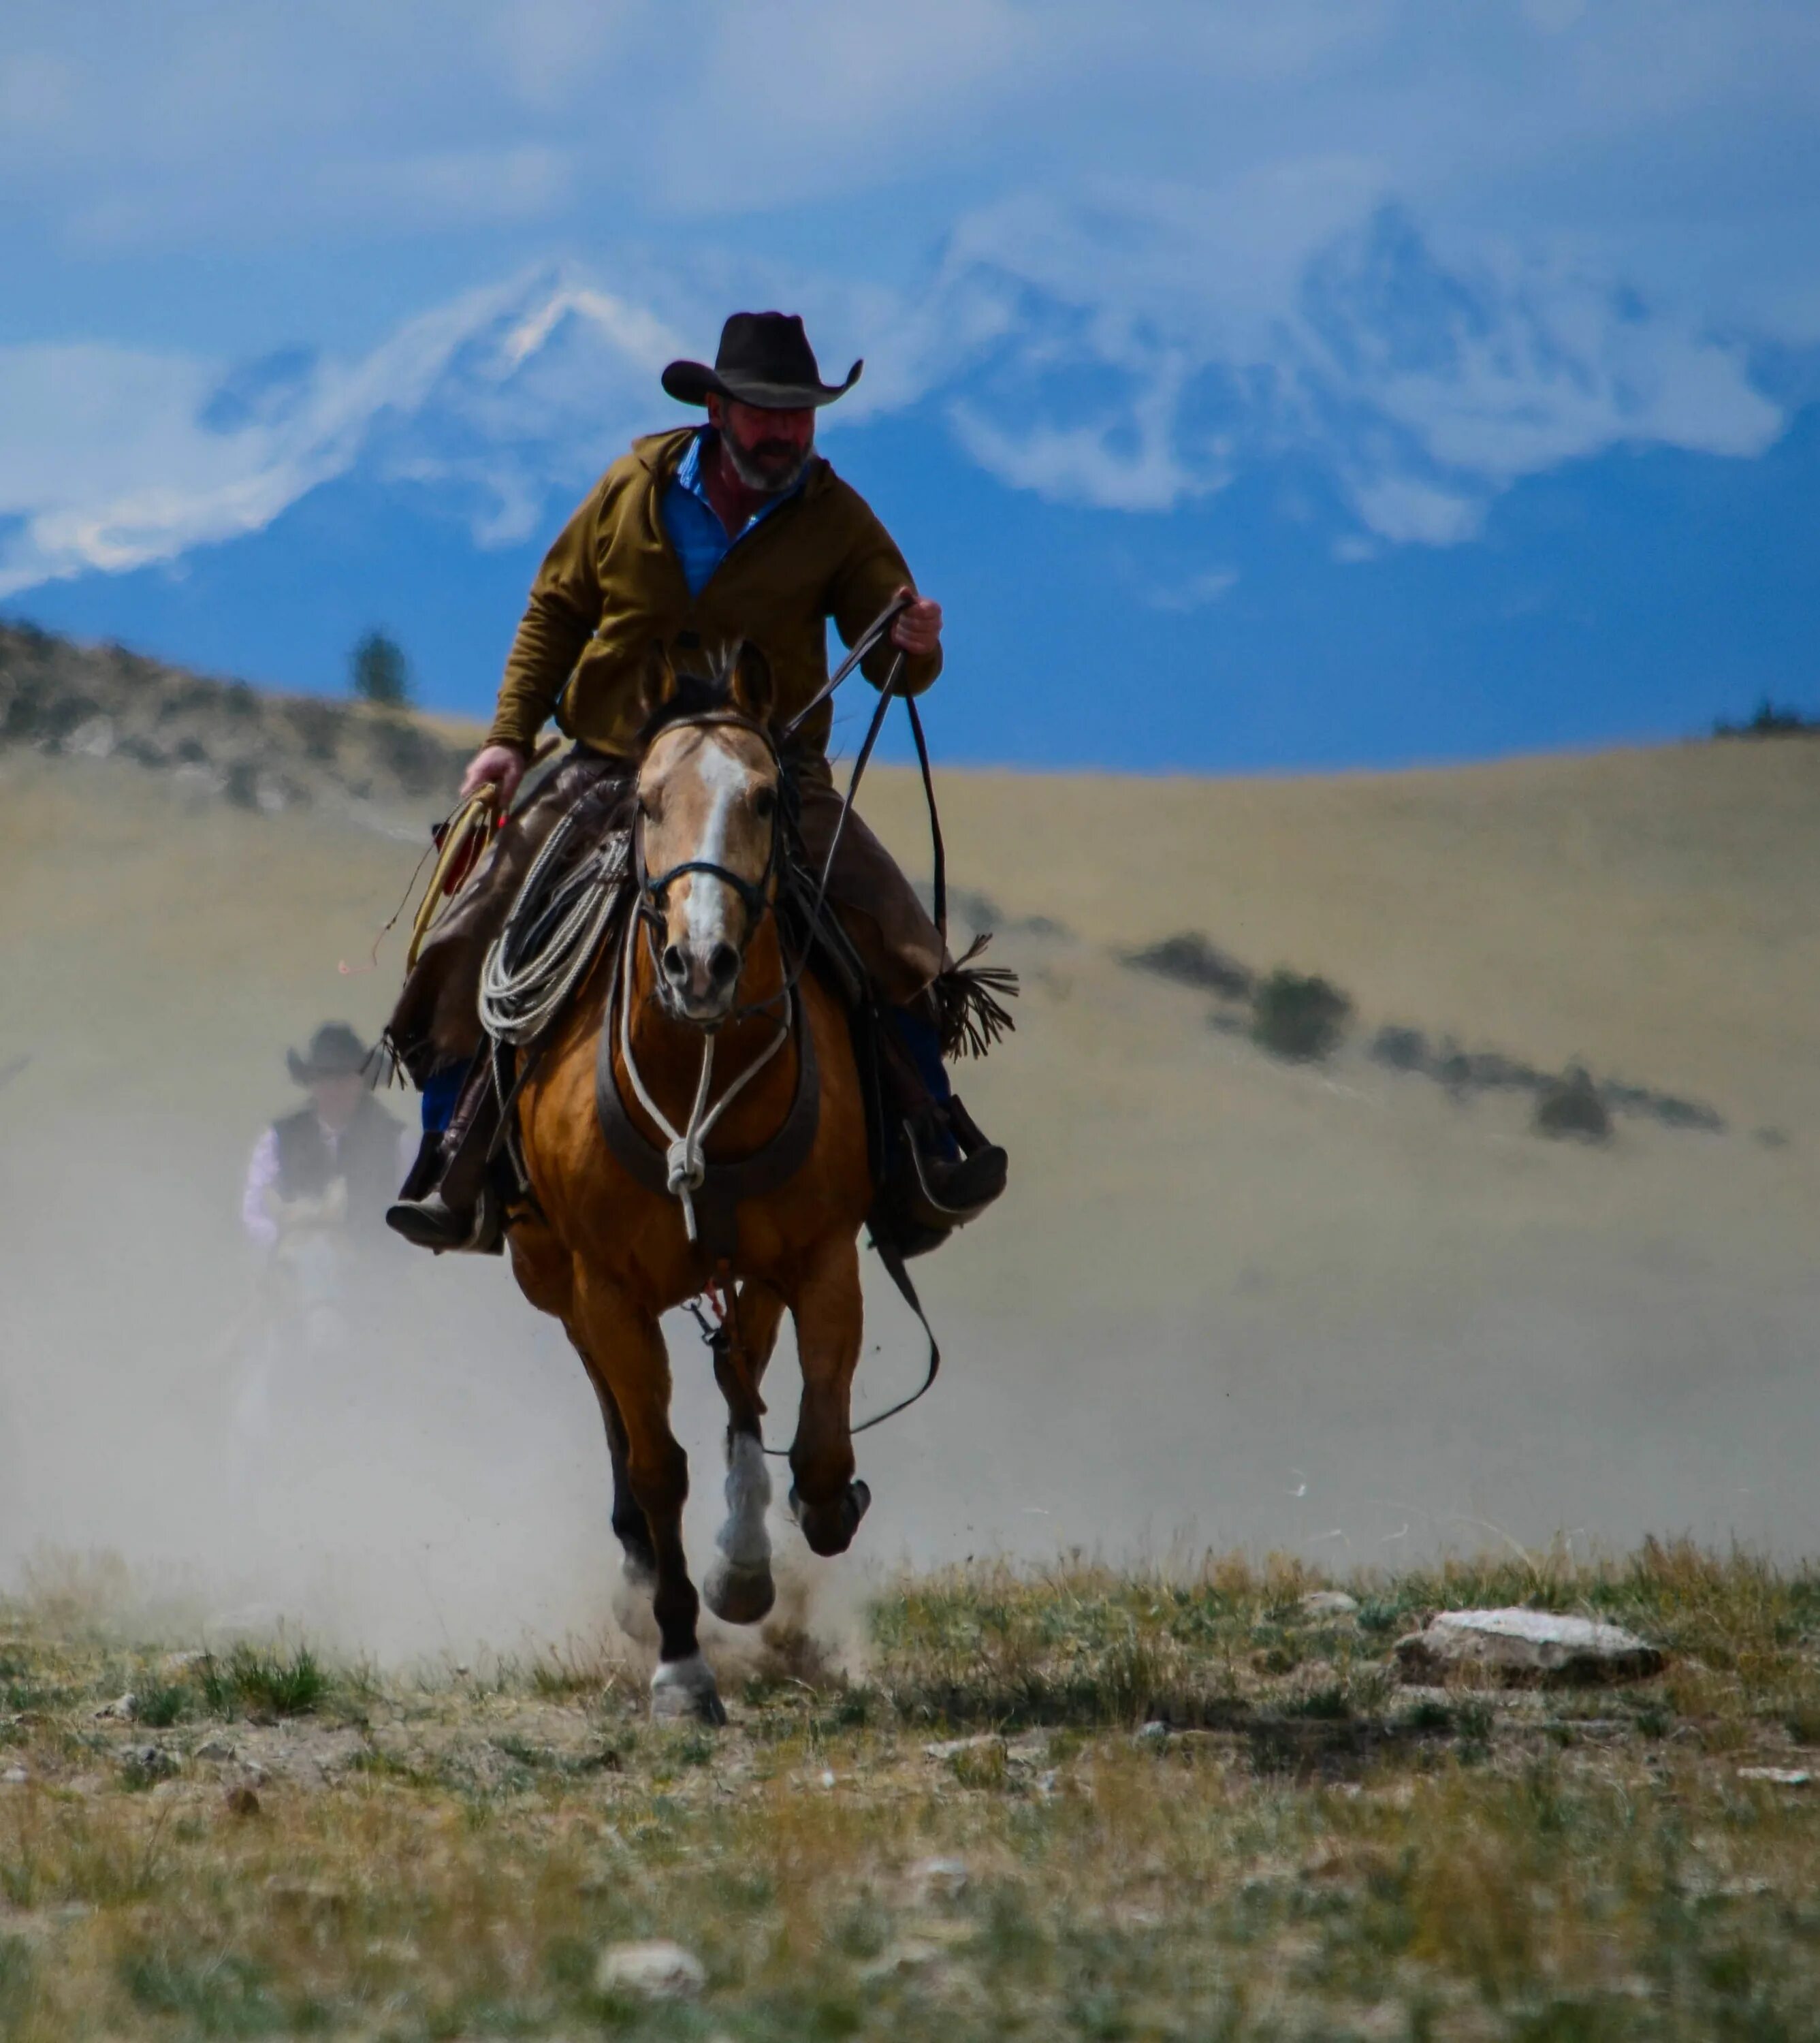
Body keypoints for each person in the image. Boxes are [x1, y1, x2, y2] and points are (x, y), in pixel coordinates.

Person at [383, 310, 1009, 1254]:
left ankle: (927, 1143)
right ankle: (450, 1154)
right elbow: (555, 608)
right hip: (608, 764)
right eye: (765, 412)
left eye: (801, 414)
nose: (785, 432)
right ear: (716, 408)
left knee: (899, 936)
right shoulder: (630, 491)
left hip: (768, 771)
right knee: (473, 925)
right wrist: (508, 740)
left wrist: (918, 646)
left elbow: (892, 653)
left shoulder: (836, 518)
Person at [242, 1022, 414, 1256]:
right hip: (293, 1269)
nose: (334, 1087)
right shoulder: (276, 1139)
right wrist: (287, 1237)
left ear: (362, 1081)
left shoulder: (397, 1140)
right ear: (311, 1082)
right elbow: (255, 1210)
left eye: (344, 1076)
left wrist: (373, 1246)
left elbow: (414, 1216)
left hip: (377, 1272)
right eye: (324, 1077)